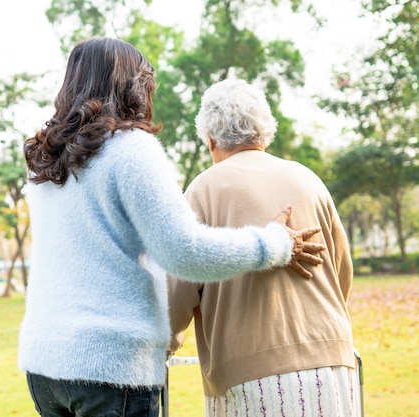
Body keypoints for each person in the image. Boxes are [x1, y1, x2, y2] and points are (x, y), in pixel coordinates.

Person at [19, 37, 325, 417]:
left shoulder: (45, 157)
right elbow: (185, 253)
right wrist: (274, 244)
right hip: (109, 369)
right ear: (134, 85)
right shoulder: (130, 148)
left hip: (45, 365)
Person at [167, 78, 357, 417]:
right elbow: (341, 273)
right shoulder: (308, 179)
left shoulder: (202, 191)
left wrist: (165, 343)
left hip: (252, 378)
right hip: (334, 366)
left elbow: (177, 293)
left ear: (210, 139)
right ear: (264, 131)